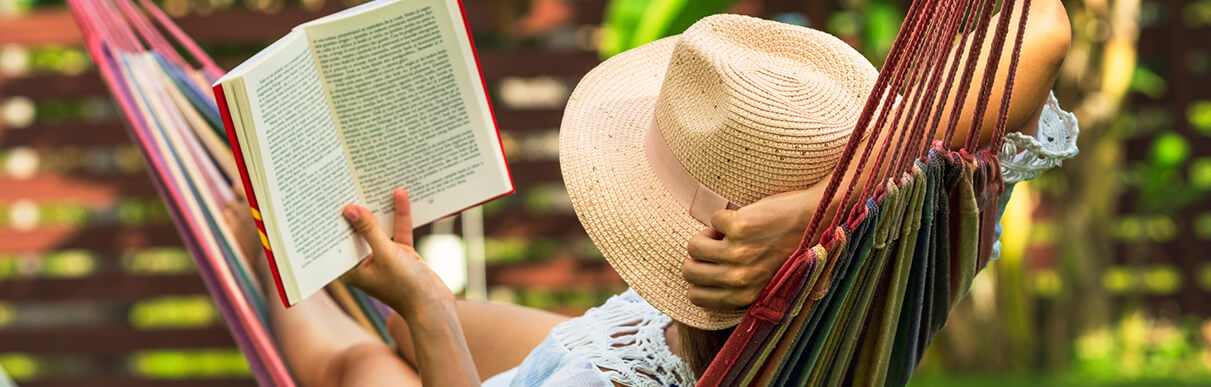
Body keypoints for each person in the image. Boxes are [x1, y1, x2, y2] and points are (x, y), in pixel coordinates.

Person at [222, 1, 1078, 385]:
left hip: (596, 368)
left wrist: (426, 308)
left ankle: (259, 245)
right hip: (648, 342)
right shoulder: (901, 246)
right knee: (409, 319)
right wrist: (829, 206)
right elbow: (1043, 26)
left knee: (360, 360)